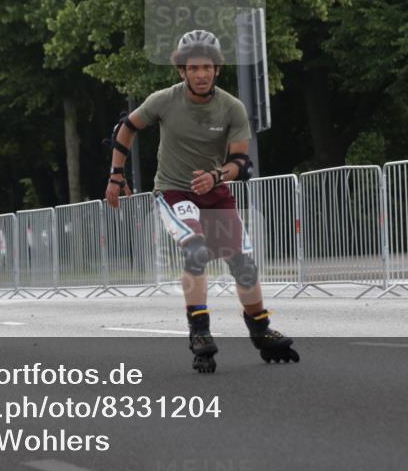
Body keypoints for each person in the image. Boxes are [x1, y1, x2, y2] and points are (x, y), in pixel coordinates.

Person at [104, 29, 299, 373]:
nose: (201, 74)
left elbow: (241, 162)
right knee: (195, 250)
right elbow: (128, 126)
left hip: (215, 190)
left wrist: (217, 176)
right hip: (174, 190)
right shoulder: (164, 100)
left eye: (207, 67)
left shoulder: (231, 107)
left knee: (243, 264)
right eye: (193, 68)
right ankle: (200, 332)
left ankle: (261, 330)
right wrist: (116, 176)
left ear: (217, 70)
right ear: (181, 71)